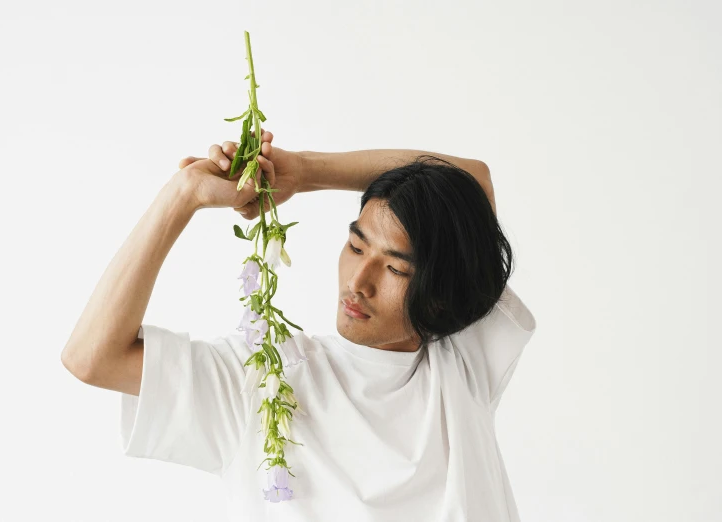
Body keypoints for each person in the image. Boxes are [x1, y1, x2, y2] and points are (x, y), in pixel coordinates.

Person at [61, 130, 537, 522]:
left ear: (441, 288)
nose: (358, 282)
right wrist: (182, 195)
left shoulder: (462, 363)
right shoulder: (264, 379)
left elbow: (470, 180)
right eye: (355, 247)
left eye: (395, 269)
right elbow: (91, 358)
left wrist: (305, 172)